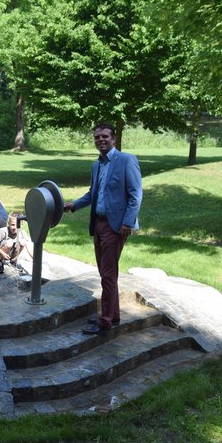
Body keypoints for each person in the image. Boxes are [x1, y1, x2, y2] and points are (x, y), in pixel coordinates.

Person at [63, 123, 143, 335]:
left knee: (107, 273)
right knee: (106, 272)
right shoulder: (97, 165)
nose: (101, 140)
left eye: (105, 136)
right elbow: (92, 194)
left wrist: (128, 222)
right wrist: (74, 204)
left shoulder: (126, 160)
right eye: (97, 137)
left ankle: (105, 321)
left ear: (114, 139)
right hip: (98, 223)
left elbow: (136, 194)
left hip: (116, 226)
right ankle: (112, 315)